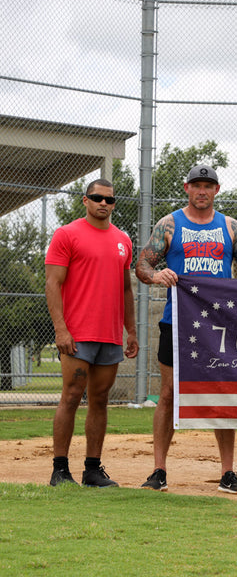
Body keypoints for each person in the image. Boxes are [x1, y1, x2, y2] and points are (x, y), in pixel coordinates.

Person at [136, 164, 237, 494]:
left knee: (224, 395)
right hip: (177, 320)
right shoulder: (169, 224)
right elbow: (142, 264)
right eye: (196, 185)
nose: (202, 191)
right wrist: (156, 275)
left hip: (219, 324)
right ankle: (159, 470)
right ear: (186, 187)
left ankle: (227, 473)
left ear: (217, 190)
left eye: (208, 185)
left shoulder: (231, 227)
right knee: (167, 394)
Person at [45, 178, 139, 487]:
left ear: (114, 204)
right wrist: (61, 329)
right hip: (76, 335)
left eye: (109, 200)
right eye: (97, 198)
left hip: (110, 335)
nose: (103, 203)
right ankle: (60, 470)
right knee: (71, 396)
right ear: (85, 200)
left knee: (100, 400)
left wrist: (131, 330)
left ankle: (93, 470)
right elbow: (53, 283)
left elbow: (126, 289)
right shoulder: (67, 235)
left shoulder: (123, 240)